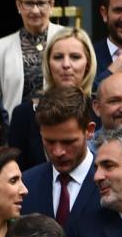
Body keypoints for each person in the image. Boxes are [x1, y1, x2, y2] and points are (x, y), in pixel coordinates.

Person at [7, 27, 98, 169]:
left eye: (75, 57)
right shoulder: (24, 114)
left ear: (88, 64)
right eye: (58, 57)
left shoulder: (100, 112)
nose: (66, 65)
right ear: (48, 64)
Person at [20, 86, 100, 237]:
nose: (58, 152)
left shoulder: (112, 183)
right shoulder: (25, 185)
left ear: (89, 131)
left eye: (68, 142)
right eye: (49, 141)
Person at [0, 0, 64, 115]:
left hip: (61, 124)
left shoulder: (69, 39)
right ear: (18, 5)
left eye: (41, 3)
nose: (35, 10)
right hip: (16, 129)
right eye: (29, 3)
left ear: (51, 5)